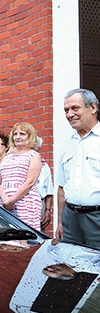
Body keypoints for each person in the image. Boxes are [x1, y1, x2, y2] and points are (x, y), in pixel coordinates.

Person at [56, 88, 100, 248]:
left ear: (93, 108)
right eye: (66, 110)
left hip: (97, 218)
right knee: (70, 268)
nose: (69, 114)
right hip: (71, 219)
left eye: (75, 108)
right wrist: (60, 222)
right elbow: (61, 188)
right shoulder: (68, 144)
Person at [0, 122, 43, 230]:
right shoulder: (7, 156)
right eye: (15, 134)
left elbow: (30, 182)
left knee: (24, 238)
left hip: (25, 202)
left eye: (22, 134)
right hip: (3, 201)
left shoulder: (34, 155)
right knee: (3, 236)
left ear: (30, 137)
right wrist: (5, 199)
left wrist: (13, 200)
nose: (18, 137)